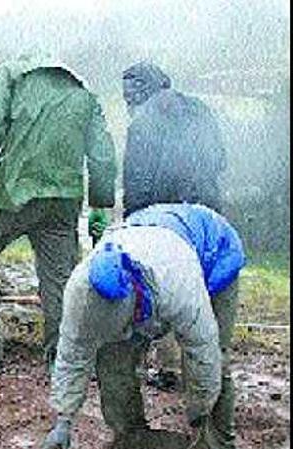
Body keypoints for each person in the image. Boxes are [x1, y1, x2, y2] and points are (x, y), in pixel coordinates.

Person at [41, 203, 245, 449]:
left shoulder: (176, 282)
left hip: (213, 251)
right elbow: (71, 357)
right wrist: (63, 420)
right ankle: (132, 446)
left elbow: (203, 352)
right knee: (112, 358)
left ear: (134, 305)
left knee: (215, 363)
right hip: (146, 238)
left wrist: (199, 411)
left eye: (125, 328)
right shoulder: (79, 292)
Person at [0, 55, 117, 375]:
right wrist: (99, 204)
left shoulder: (12, 76)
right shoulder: (83, 94)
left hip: (14, 192)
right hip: (64, 199)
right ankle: (65, 361)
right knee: (61, 280)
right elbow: (102, 154)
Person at [121, 61, 230, 391]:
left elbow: (137, 179)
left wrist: (133, 222)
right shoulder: (201, 109)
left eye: (128, 97)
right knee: (205, 288)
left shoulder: (143, 120)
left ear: (139, 93)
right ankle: (209, 370)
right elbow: (220, 159)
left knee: (168, 287)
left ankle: (170, 368)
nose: (127, 104)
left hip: (166, 218)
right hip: (208, 216)